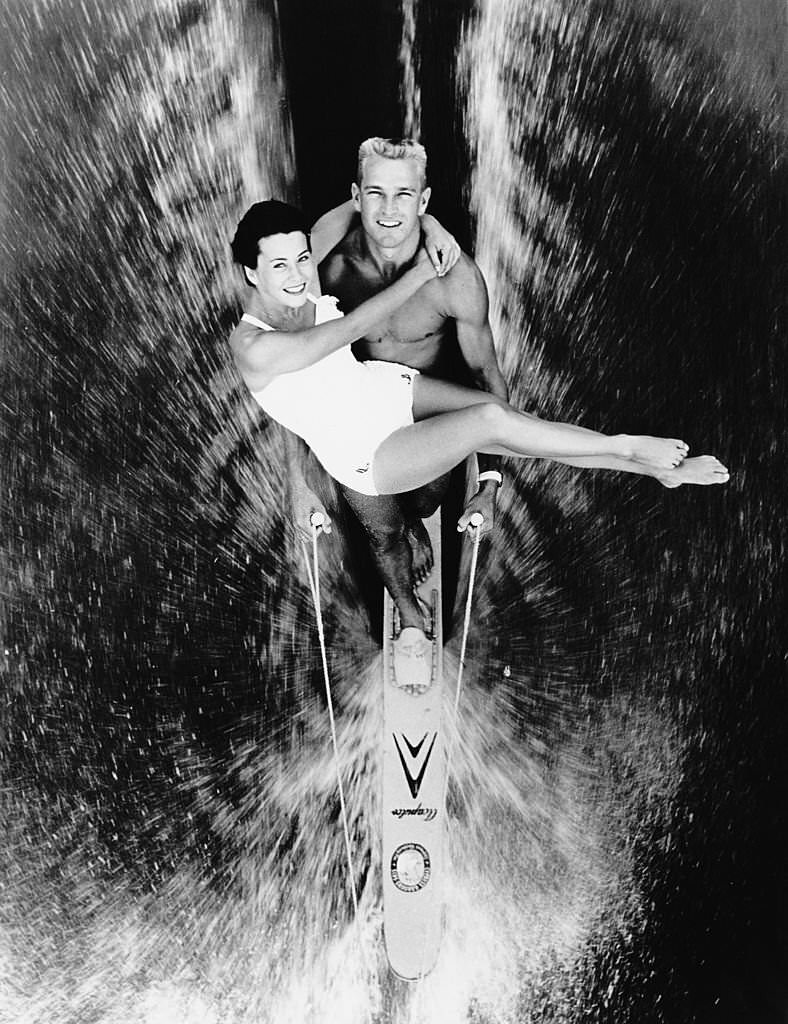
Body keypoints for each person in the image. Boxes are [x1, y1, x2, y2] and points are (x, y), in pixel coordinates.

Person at [228, 199, 729, 689]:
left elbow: (358, 205)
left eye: (301, 258)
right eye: (279, 265)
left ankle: (653, 468)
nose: (298, 273)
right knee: (487, 423)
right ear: (252, 273)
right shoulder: (254, 349)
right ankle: (627, 452)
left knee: (505, 420)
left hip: (384, 388)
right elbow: (351, 328)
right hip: (365, 451)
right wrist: (424, 271)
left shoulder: (302, 266)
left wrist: (431, 222)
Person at [313, 137, 509, 679]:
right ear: (356, 197)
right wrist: (299, 476)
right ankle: (408, 615)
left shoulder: (456, 278)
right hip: (358, 423)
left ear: (424, 203)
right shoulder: (329, 271)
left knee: (423, 504)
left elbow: (485, 375)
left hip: (425, 416)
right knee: (383, 532)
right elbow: (297, 364)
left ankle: (419, 524)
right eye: (375, 194)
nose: (390, 210)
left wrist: (489, 487)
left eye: (404, 196)